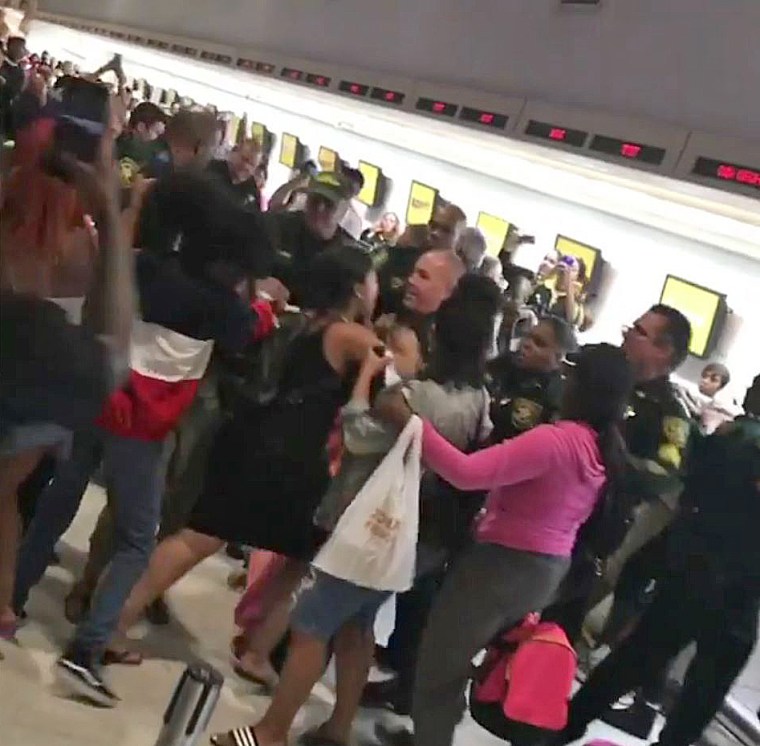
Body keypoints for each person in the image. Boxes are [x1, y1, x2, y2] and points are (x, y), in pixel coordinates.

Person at [209, 274, 500, 746]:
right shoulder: (478, 399)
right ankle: (338, 729)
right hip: (417, 534)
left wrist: (365, 381)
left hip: (371, 524)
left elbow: (359, 436)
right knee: (357, 628)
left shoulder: (415, 397)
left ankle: (270, 731)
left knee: (310, 624)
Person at [110, 247, 383, 668]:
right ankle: (252, 649)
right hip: (289, 455)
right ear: (355, 288)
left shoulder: (301, 321)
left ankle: (117, 617)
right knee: (301, 553)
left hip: (248, 433)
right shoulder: (352, 337)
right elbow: (398, 370)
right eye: (371, 280)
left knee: (203, 535)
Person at [373, 343, 634, 746]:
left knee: (440, 664)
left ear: (582, 385)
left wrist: (412, 424)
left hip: (501, 565)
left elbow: (464, 473)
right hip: (545, 570)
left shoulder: (556, 441)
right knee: (465, 657)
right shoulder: (600, 447)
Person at [557, 374, 760, 746]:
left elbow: (693, 480)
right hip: (742, 596)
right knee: (700, 699)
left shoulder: (734, 438)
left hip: (695, 573)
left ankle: (565, 728)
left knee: (634, 659)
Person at [1, 120, 135, 643]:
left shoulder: (11, 223)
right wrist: (111, 213)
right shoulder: (83, 245)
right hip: (46, 399)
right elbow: (113, 344)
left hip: (30, 383)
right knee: (11, 492)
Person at [576, 304, 693, 735]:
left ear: (664, 352)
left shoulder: (669, 415)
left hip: (599, 531)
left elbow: (664, 474)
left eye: (639, 332)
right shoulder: (605, 379)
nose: (628, 335)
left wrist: (612, 461)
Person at [265, 171, 355, 305]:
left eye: (329, 204)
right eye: (315, 200)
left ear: (343, 210)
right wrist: (258, 281)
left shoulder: (347, 255)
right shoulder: (279, 226)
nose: (320, 208)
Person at [487, 317, 574, 443]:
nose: (526, 344)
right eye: (528, 336)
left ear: (558, 357)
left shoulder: (553, 397)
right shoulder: (505, 363)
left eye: (539, 343)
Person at [377, 202, 466, 316]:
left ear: (460, 239)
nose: (435, 233)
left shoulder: (460, 280)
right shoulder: (400, 257)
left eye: (446, 230)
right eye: (433, 225)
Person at [674, 361, 741, 435]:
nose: (705, 381)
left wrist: (682, 394)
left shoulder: (721, 405)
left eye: (713, 380)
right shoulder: (708, 401)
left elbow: (699, 411)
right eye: (704, 376)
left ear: (721, 386)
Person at [115, 101, 167, 190]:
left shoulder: (115, 142)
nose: (156, 138)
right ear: (141, 127)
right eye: (156, 132)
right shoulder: (131, 150)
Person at [207, 138, 264, 210]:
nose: (246, 166)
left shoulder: (252, 191)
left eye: (251, 164)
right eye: (244, 159)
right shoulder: (212, 169)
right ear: (233, 152)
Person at [0, 36, 26, 140]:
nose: (24, 51)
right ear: (13, 47)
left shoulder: (19, 71)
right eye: (22, 48)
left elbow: (14, 92)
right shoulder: (3, 64)